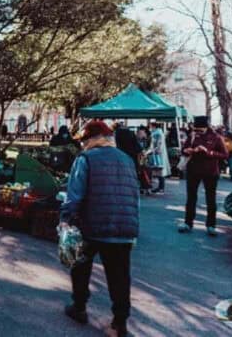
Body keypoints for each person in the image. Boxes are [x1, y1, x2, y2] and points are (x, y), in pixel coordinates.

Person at [60, 120, 139, 337]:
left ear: (91, 139)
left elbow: (74, 194)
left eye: (84, 140)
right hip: (124, 227)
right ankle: (119, 322)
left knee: (80, 265)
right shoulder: (127, 159)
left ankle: (79, 307)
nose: (82, 145)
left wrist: (65, 218)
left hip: (92, 224)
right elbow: (135, 195)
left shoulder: (85, 159)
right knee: (120, 276)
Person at [178, 116, 228, 236]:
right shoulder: (192, 135)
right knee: (191, 198)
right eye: (196, 130)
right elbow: (183, 149)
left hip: (210, 171)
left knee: (210, 199)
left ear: (206, 127)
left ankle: (211, 225)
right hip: (193, 170)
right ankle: (188, 223)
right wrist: (188, 150)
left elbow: (225, 154)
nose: (197, 132)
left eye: (200, 130)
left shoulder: (216, 137)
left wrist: (208, 152)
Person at [115, 125, 150, 194]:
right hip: (133, 160)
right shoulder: (131, 135)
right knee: (135, 174)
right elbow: (139, 149)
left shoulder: (118, 135)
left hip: (121, 158)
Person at [147, 122, 171, 194]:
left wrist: (150, 151)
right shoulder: (159, 133)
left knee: (159, 170)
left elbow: (156, 145)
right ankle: (160, 187)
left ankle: (161, 188)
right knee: (160, 171)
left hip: (157, 154)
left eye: (151, 126)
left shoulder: (156, 134)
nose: (150, 128)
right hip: (160, 154)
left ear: (153, 126)